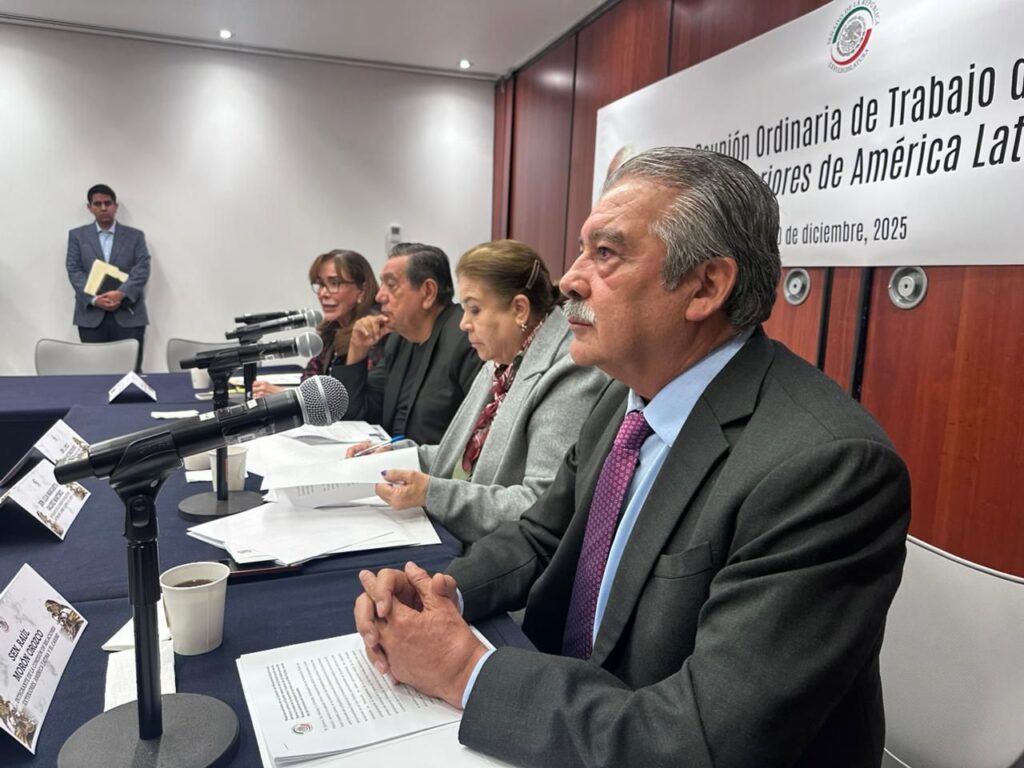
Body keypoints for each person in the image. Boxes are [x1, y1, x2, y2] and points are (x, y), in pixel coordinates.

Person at [354, 147, 911, 768]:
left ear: (706, 286)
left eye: (606, 254)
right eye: (581, 250)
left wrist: (464, 670)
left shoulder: (827, 469)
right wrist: (442, 594)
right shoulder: (626, 396)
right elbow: (542, 537)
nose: (568, 281)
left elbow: (700, 739)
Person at [348, 240, 607, 544]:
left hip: (499, 555)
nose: (463, 324)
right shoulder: (503, 358)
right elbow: (464, 459)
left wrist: (431, 493)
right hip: (464, 535)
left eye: (474, 309)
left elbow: (540, 506)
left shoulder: (570, 372)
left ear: (519, 309)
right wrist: (400, 457)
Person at [334, 242, 481, 445]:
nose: (379, 296)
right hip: (393, 460)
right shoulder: (398, 341)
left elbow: (479, 438)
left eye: (391, 285)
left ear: (428, 292)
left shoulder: (468, 340)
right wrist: (358, 349)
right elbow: (355, 415)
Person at [252, 249, 379, 398]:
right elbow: (310, 381)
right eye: (321, 284)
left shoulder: (373, 333)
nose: (323, 293)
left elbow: (357, 399)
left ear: (362, 290)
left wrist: (286, 395)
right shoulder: (332, 330)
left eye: (334, 283)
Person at [65, 184, 150, 370]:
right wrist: (95, 299)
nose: (103, 208)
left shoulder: (135, 236)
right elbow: (74, 269)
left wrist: (120, 294)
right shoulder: (77, 236)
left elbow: (142, 268)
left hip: (128, 314)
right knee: (96, 372)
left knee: (131, 372)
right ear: (90, 207)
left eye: (108, 203)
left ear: (115, 206)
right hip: (91, 316)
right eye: (97, 204)